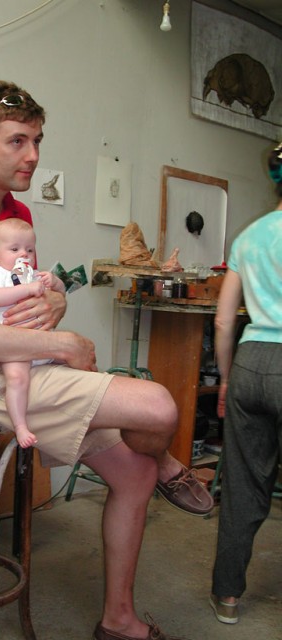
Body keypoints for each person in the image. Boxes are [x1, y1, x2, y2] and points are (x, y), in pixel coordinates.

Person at [0, 80, 213, 640]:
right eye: (18, 141)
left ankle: (118, 621)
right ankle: (168, 460)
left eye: (38, 140)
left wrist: (58, 302)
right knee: (159, 407)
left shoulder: (16, 213)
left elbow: (32, 292)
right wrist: (61, 343)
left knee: (136, 472)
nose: (33, 155)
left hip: (27, 364)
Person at [209, 143, 282, 625]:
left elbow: (222, 322)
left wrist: (226, 377)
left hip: (251, 361)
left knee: (242, 485)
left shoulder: (249, 236)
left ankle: (227, 596)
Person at [0, 217, 65, 448]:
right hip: (13, 344)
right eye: (14, 249)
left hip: (40, 341)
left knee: (72, 359)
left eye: (29, 250)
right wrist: (27, 289)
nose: (24, 255)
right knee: (17, 378)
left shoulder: (33, 274)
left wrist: (55, 282)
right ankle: (20, 426)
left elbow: (60, 294)